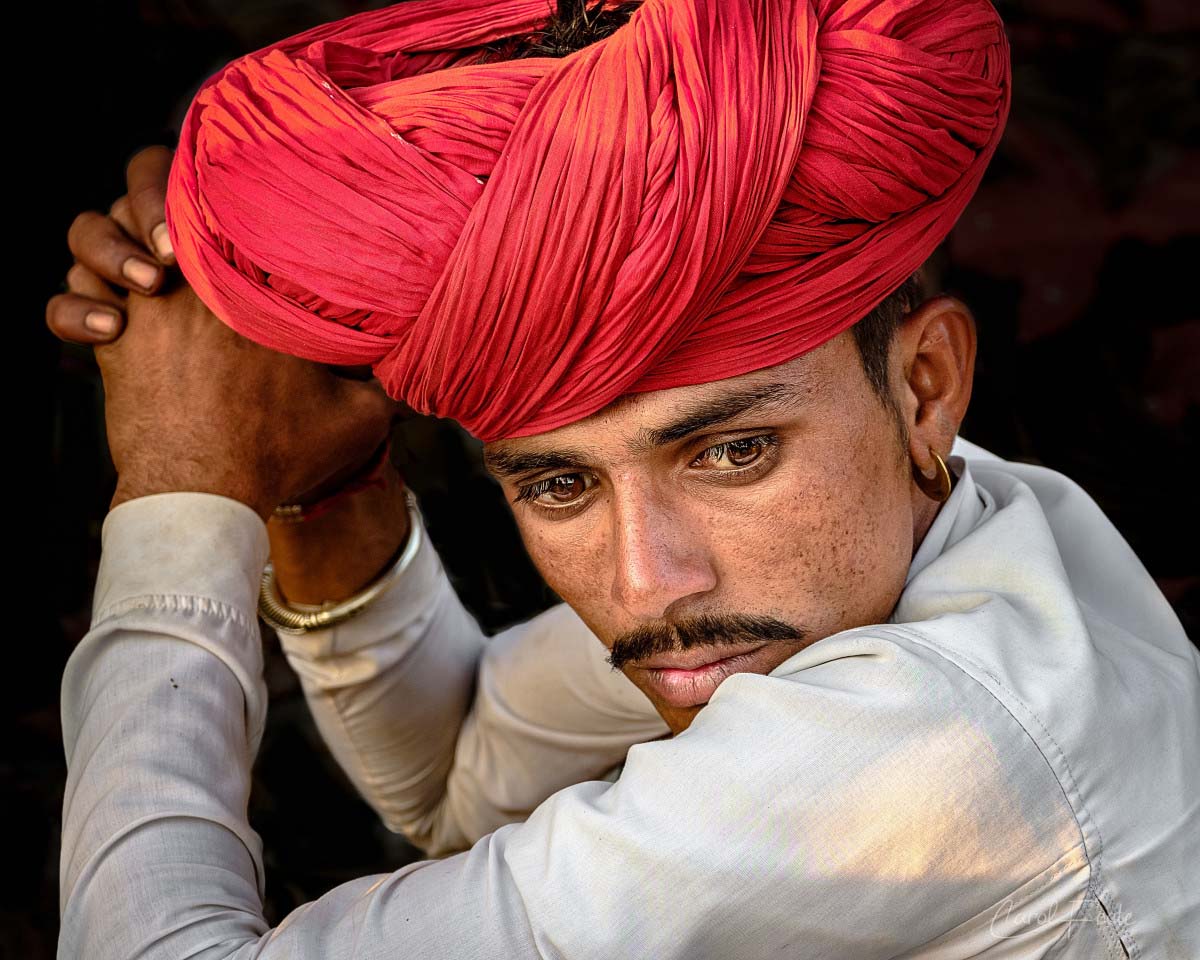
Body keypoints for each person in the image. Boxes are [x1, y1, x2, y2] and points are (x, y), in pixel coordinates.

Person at [48, 1, 1199, 957]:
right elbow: (460, 778)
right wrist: (327, 484)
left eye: (733, 452)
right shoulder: (913, 543)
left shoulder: (935, 739)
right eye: (558, 488)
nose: (650, 584)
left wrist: (181, 486)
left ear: (927, 383)